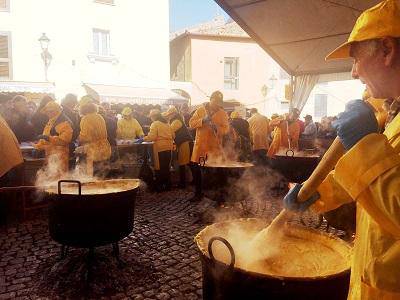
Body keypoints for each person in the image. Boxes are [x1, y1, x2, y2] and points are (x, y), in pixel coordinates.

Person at [283, 1, 400, 298]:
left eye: (356, 59)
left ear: (387, 50)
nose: (353, 73)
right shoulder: (393, 113)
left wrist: (365, 145)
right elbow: (381, 176)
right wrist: (318, 194)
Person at [189, 91, 229, 201]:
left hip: (214, 148)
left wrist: (217, 128)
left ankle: (217, 195)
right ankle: (198, 193)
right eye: (215, 101)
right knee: (197, 171)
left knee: (216, 171)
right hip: (200, 147)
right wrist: (202, 120)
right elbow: (191, 123)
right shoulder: (201, 110)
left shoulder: (223, 113)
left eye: (219, 102)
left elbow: (226, 129)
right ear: (211, 99)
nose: (216, 104)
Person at [34, 101, 73, 174]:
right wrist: (38, 146)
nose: (48, 113)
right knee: (51, 177)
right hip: (50, 154)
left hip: (60, 155)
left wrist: (48, 138)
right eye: (47, 111)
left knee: (59, 177)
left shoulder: (64, 122)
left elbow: (64, 140)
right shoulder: (51, 120)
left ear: (56, 111)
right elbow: (46, 135)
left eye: (50, 111)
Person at [77, 97, 111, 177]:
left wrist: (79, 139)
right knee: (102, 173)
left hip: (94, 150)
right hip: (105, 147)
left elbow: (85, 136)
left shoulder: (85, 118)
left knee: (93, 176)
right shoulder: (99, 117)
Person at [0, 114, 24, 225]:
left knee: (5, 192)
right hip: (13, 160)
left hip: (7, 162)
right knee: (8, 192)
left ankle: (5, 219)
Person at [143, 109, 174, 192]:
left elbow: (152, 137)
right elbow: (173, 135)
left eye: (151, 117)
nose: (150, 119)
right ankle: (167, 186)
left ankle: (159, 187)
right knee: (166, 167)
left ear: (154, 117)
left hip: (159, 147)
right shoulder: (167, 124)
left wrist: (144, 138)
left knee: (159, 167)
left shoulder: (155, 124)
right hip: (169, 147)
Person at [162, 106, 192, 188]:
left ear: (173, 114)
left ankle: (183, 183)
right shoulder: (177, 120)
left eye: (169, 115)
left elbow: (169, 131)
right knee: (185, 163)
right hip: (183, 142)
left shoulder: (176, 121)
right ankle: (186, 181)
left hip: (184, 142)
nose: (168, 116)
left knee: (183, 163)